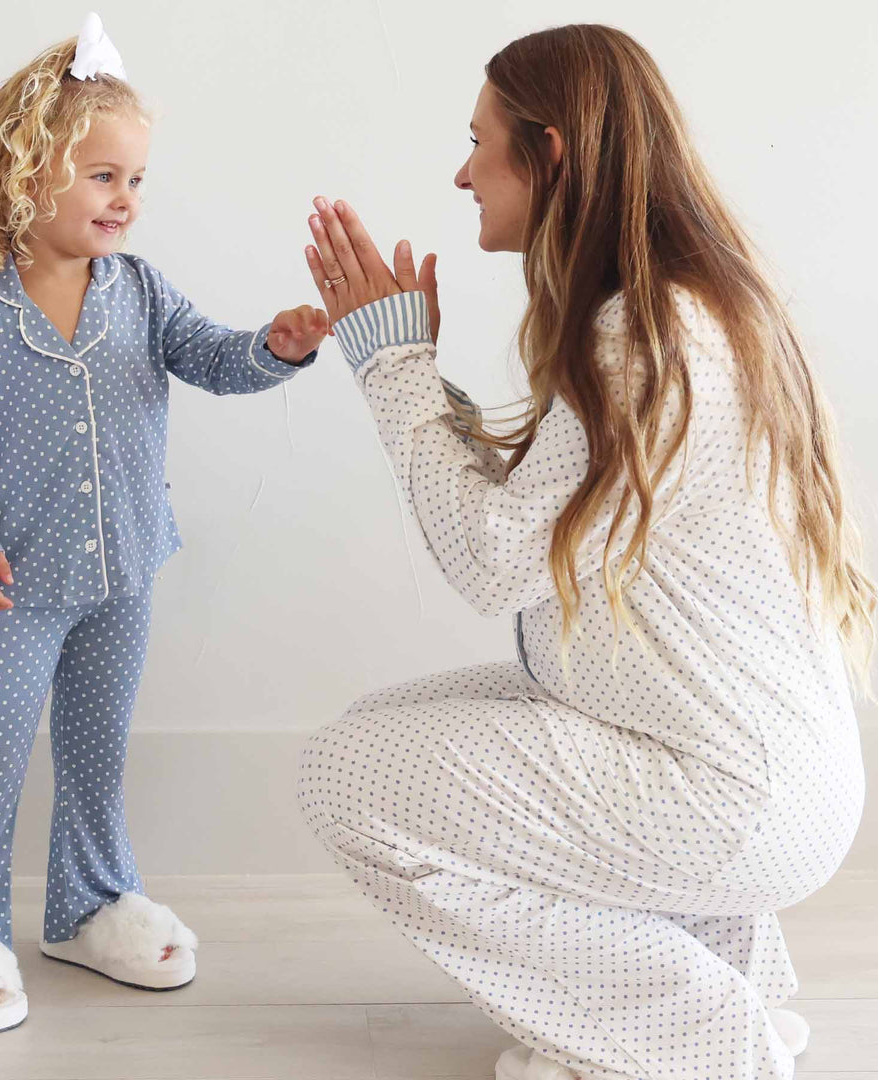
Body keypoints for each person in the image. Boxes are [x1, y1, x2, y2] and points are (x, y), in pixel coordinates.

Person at [297, 23, 873, 1080]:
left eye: (481, 143)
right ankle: (712, 973)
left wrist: (396, 370)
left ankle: (700, 1038)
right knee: (378, 736)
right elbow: (553, 507)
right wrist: (408, 370)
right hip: (758, 771)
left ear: (551, 155)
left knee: (344, 779)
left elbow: (491, 563)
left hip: (733, 793)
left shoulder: (642, 340)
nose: (462, 171)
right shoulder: (687, 312)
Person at [0, 13, 326, 1034]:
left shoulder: (144, 293)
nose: (127, 199)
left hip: (126, 574)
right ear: (27, 175)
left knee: (98, 748)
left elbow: (212, 357)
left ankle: (90, 903)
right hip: (13, 584)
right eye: (104, 176)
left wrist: (276, 348)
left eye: (138, 179)